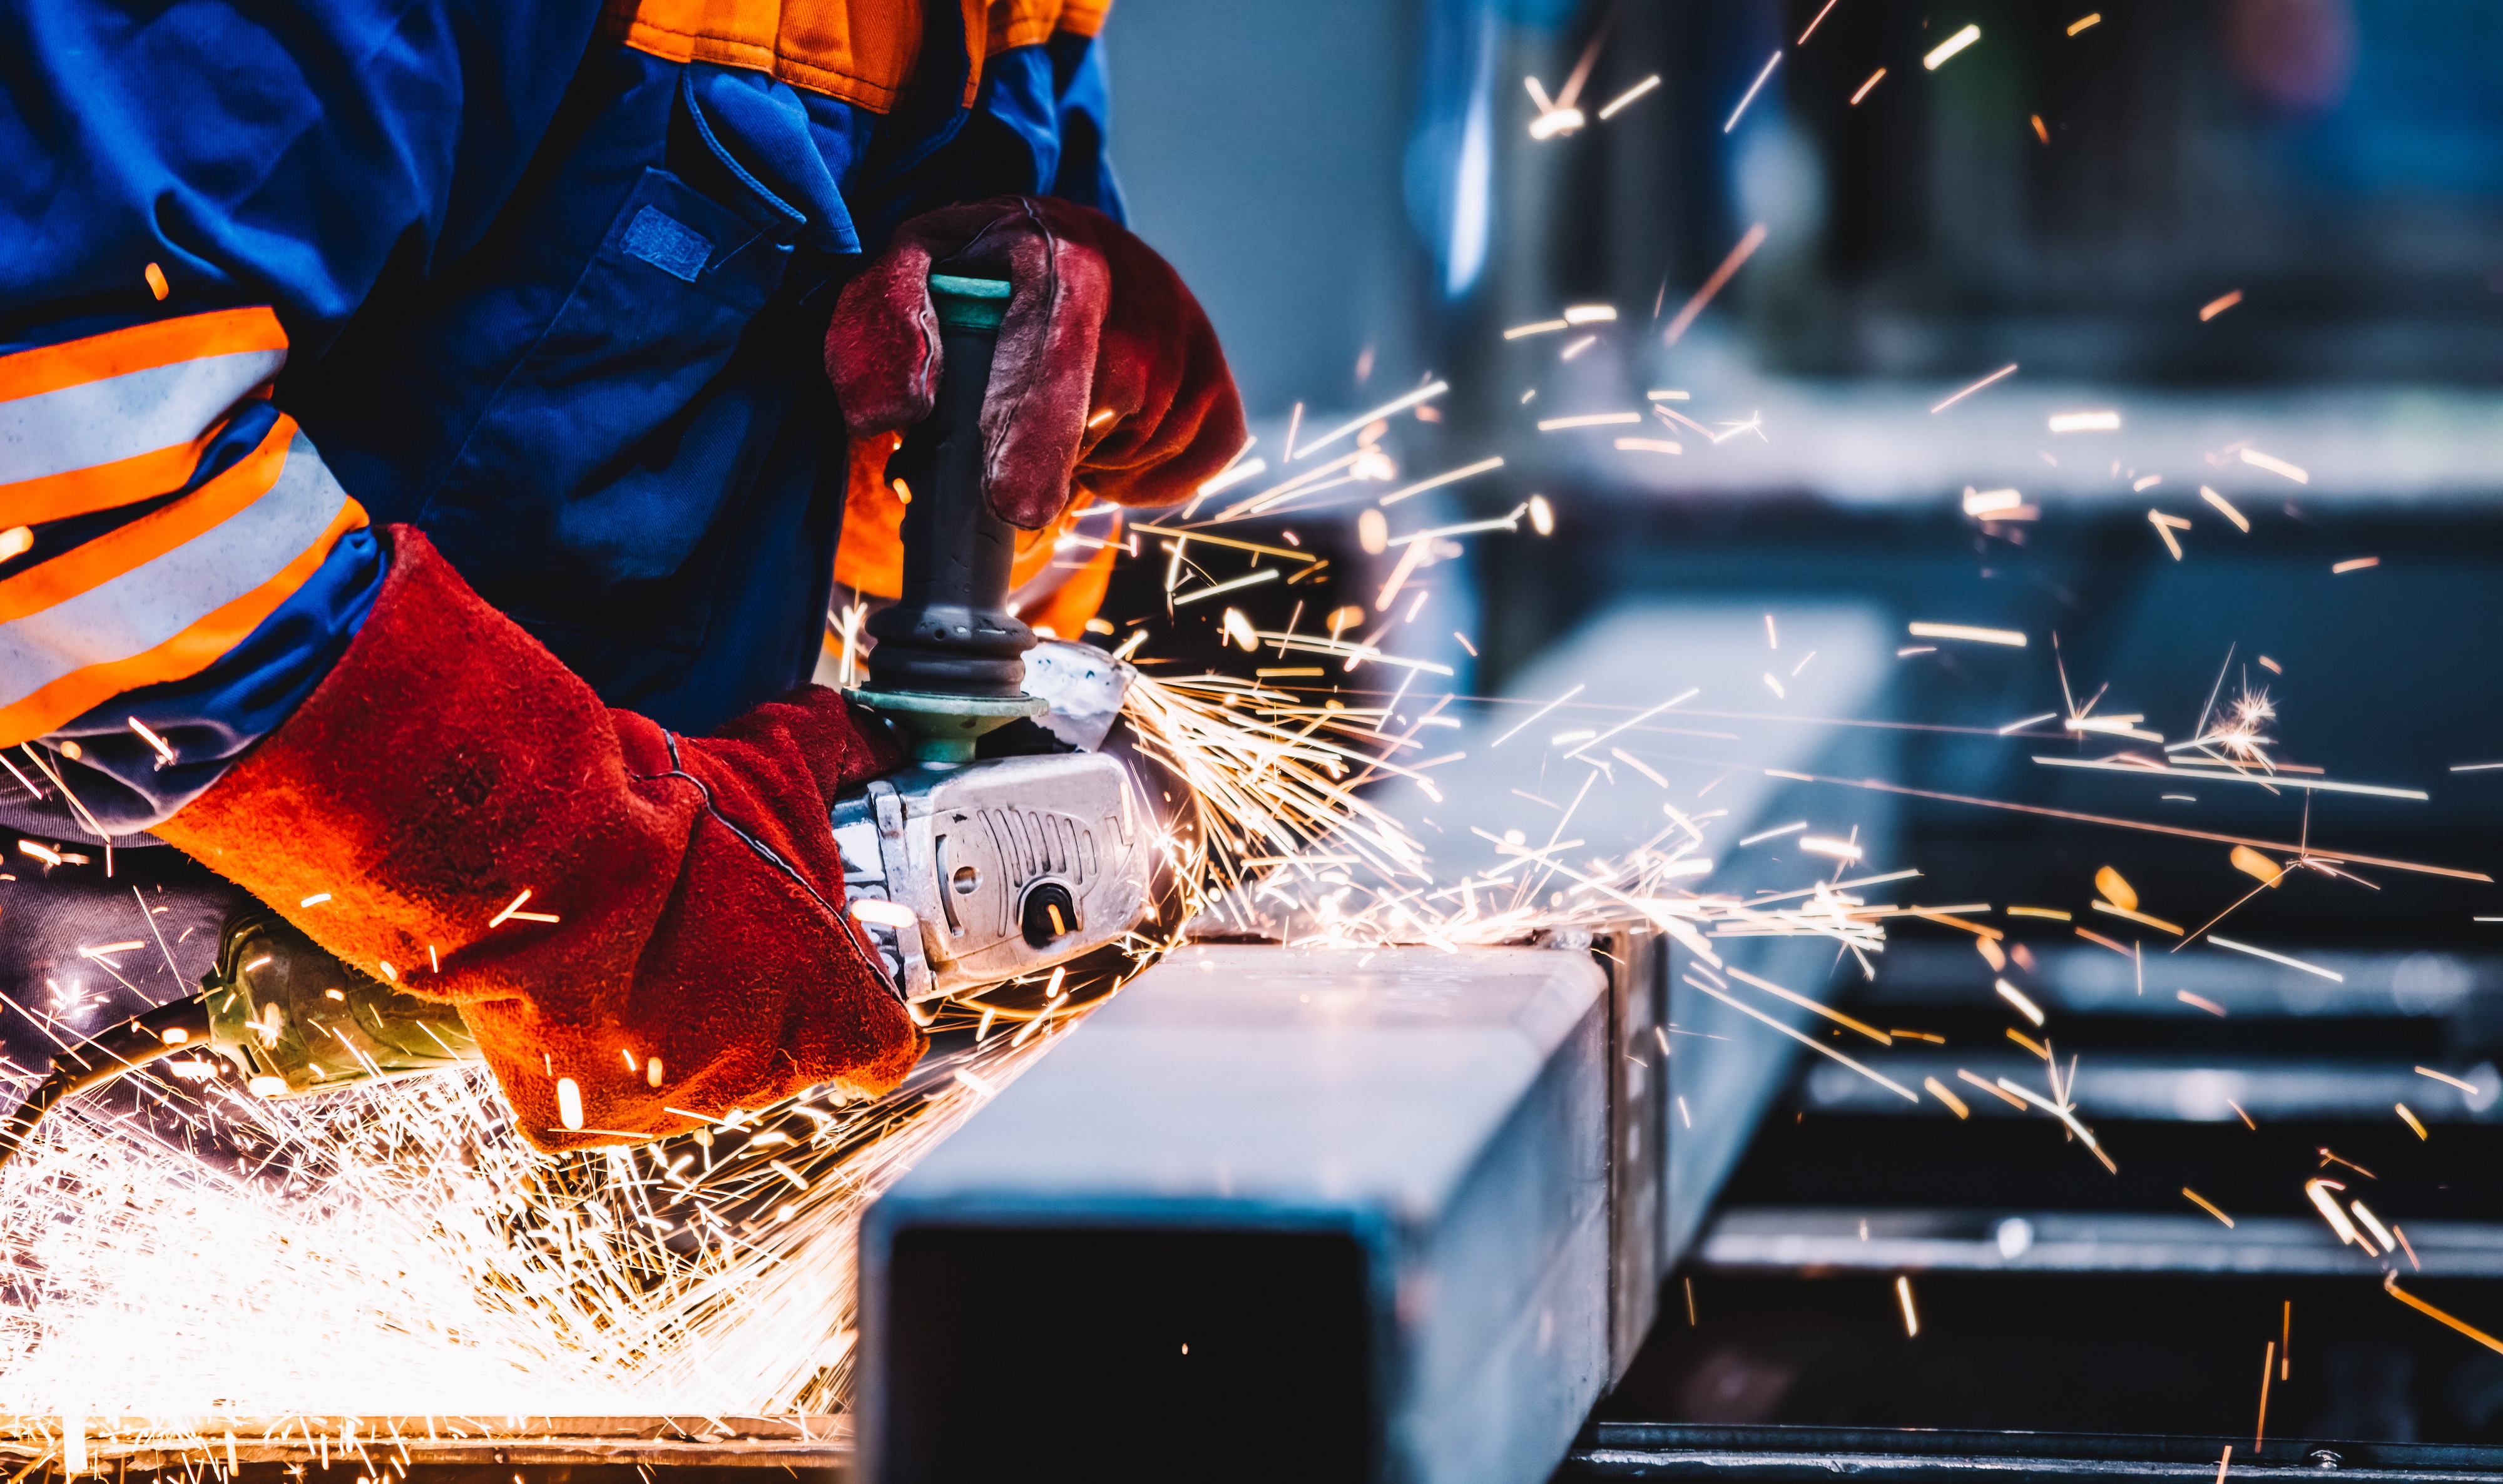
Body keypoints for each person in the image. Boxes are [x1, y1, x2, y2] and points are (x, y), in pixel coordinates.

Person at [0, 0, 1245, 1149]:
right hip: (90, 978)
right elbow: (46, 449)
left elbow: (789, 541)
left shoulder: (1014, 19)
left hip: (467, 1055)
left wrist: (1000, 447)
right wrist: (575, 872)